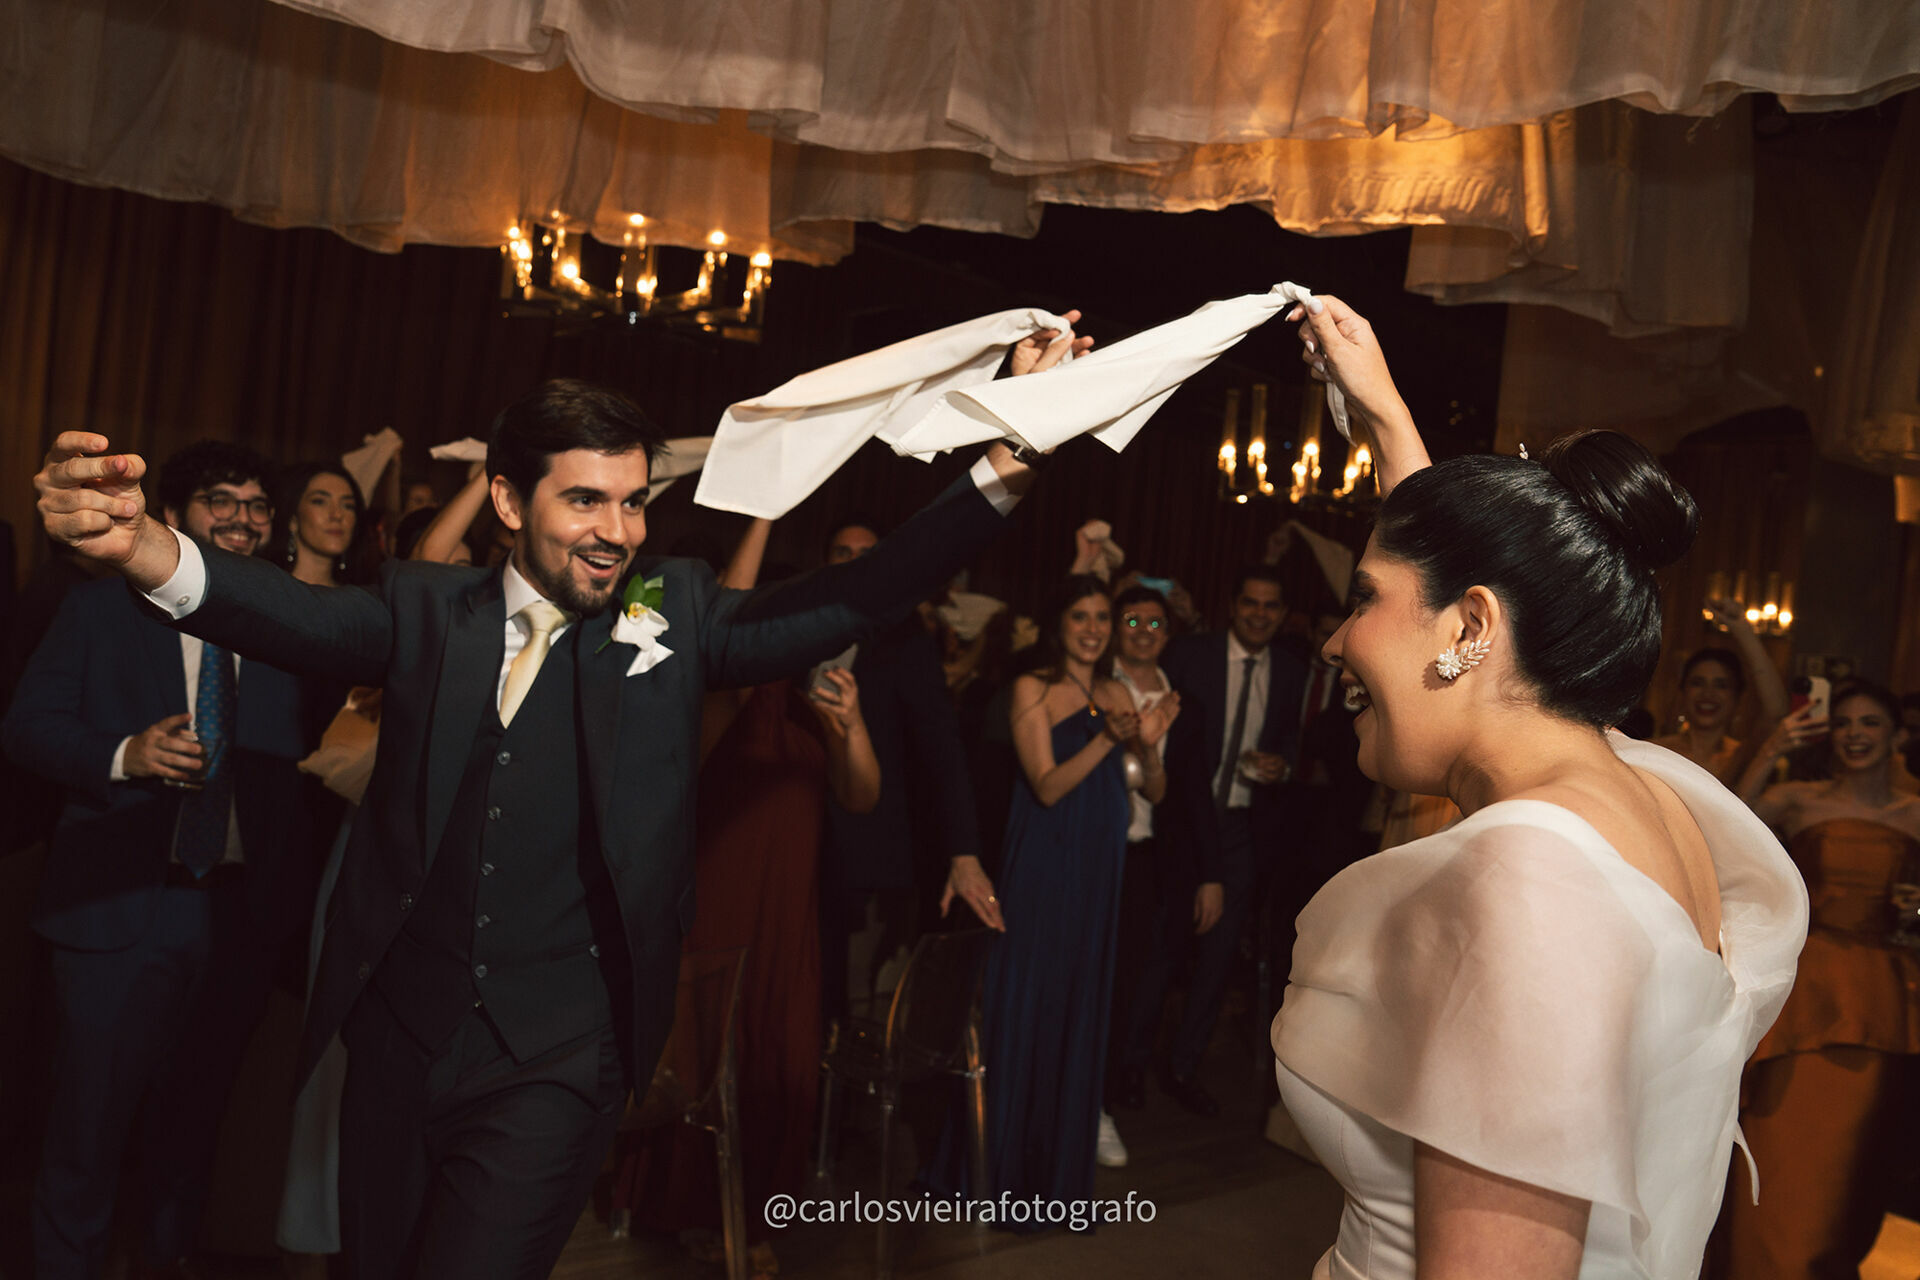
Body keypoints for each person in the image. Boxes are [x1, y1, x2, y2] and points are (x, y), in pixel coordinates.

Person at [29, 327, 1079, 1279]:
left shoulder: (674, 612)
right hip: (399, 1043)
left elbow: (856, 592)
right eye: (586, 500)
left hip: (559, 1060)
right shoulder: (428, 608)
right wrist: (142, 547)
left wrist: (1015, 450)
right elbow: (291, 614)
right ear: (506, 501)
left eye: (633, 501)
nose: (617, 531)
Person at [1270, 293, 1807, 1279]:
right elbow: (1483, 620)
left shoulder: (1529, 882)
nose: (1338, 640)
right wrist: (1387, 419)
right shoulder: (1641, 795)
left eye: (1363, 599)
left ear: (1472, 626)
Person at [3, 441, 325, 1280]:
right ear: (174, 515)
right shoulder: (99, 610)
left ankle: (168, 1259)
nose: (243, 519)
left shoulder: (284, 625)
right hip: (122, 910)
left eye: (258, 505)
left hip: (237, 917)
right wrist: (125, 755)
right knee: (87, 1130)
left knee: (195, 1126)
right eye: (223, 500)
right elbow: (27, 728)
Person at [614, 515, 879, 1276]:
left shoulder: (811, 697)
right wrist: (766, 507)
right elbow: (725, 627)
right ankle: (697, 1209)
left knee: (781, 1063)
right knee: (710, 1060)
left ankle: (752, 1212)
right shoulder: (721, 689)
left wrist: (851, 727)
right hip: (719, 910)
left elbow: (861, 797)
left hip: (788, 920)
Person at [929, 575, 1176, 1219]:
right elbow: (1045, 784)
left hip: (1099, 874)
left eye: (1102, 617)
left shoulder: (1116, 691)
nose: (1093, 629)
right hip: (1044, 867)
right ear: (1058, 624)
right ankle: (999, 1167)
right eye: (1080, 617)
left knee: (1076, 1006)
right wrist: (1108, 738)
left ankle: (1050, 1169)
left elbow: (1152, 791)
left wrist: (1148, 747)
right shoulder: (1032, 688)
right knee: (1028, 1002)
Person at [1728, 681, 1920, 1278]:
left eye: (1870, 723)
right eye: (1843, 724)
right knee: (1774, 1148)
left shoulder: (1915, 813)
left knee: (1842, 1162)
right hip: (1802, 991)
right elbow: (1723, 829)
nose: (1854, 734)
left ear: (1898, 736)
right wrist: (1771, 748)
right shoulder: (1797, 798)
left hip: (1877, 1000)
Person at [1155, 563, 1307, 1115]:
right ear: (1232, 606)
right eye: (1250, 603)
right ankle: (1126, 1062)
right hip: (1177, 826)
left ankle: (1183, 1066)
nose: (1259, 615)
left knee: (1218, 958)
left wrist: (1282, 765)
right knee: (1161, 947)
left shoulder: (1290, 671)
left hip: (1241, 829)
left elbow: (1292, 741)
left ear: (1282, 614)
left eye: (1270, 606)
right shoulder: (1188, 655)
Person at [1101, 584, 1189, 1165]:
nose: (1142, 632)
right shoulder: (1092, 682)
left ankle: (1099, 1105)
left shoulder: (1178, 697)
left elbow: (1167, 791)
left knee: (1123, 986)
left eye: (1154, 623)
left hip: (1141, 856)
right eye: (1131, 620)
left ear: (1168, 634)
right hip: (1085, 850)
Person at [1651, 604, 1788, 786]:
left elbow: (1776, 713)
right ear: (1682, 691)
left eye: (1721, 686)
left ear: (1737, 698)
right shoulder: (1655, 751)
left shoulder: (1743, 757)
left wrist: (1745, 632)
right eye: (1697, 683)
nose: (1708, 693)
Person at [275, 461, 370, 586]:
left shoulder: (362, 596)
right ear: (293, 519)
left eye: (348, 506)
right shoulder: (266, 589)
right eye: (319, 502)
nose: (337, 515)